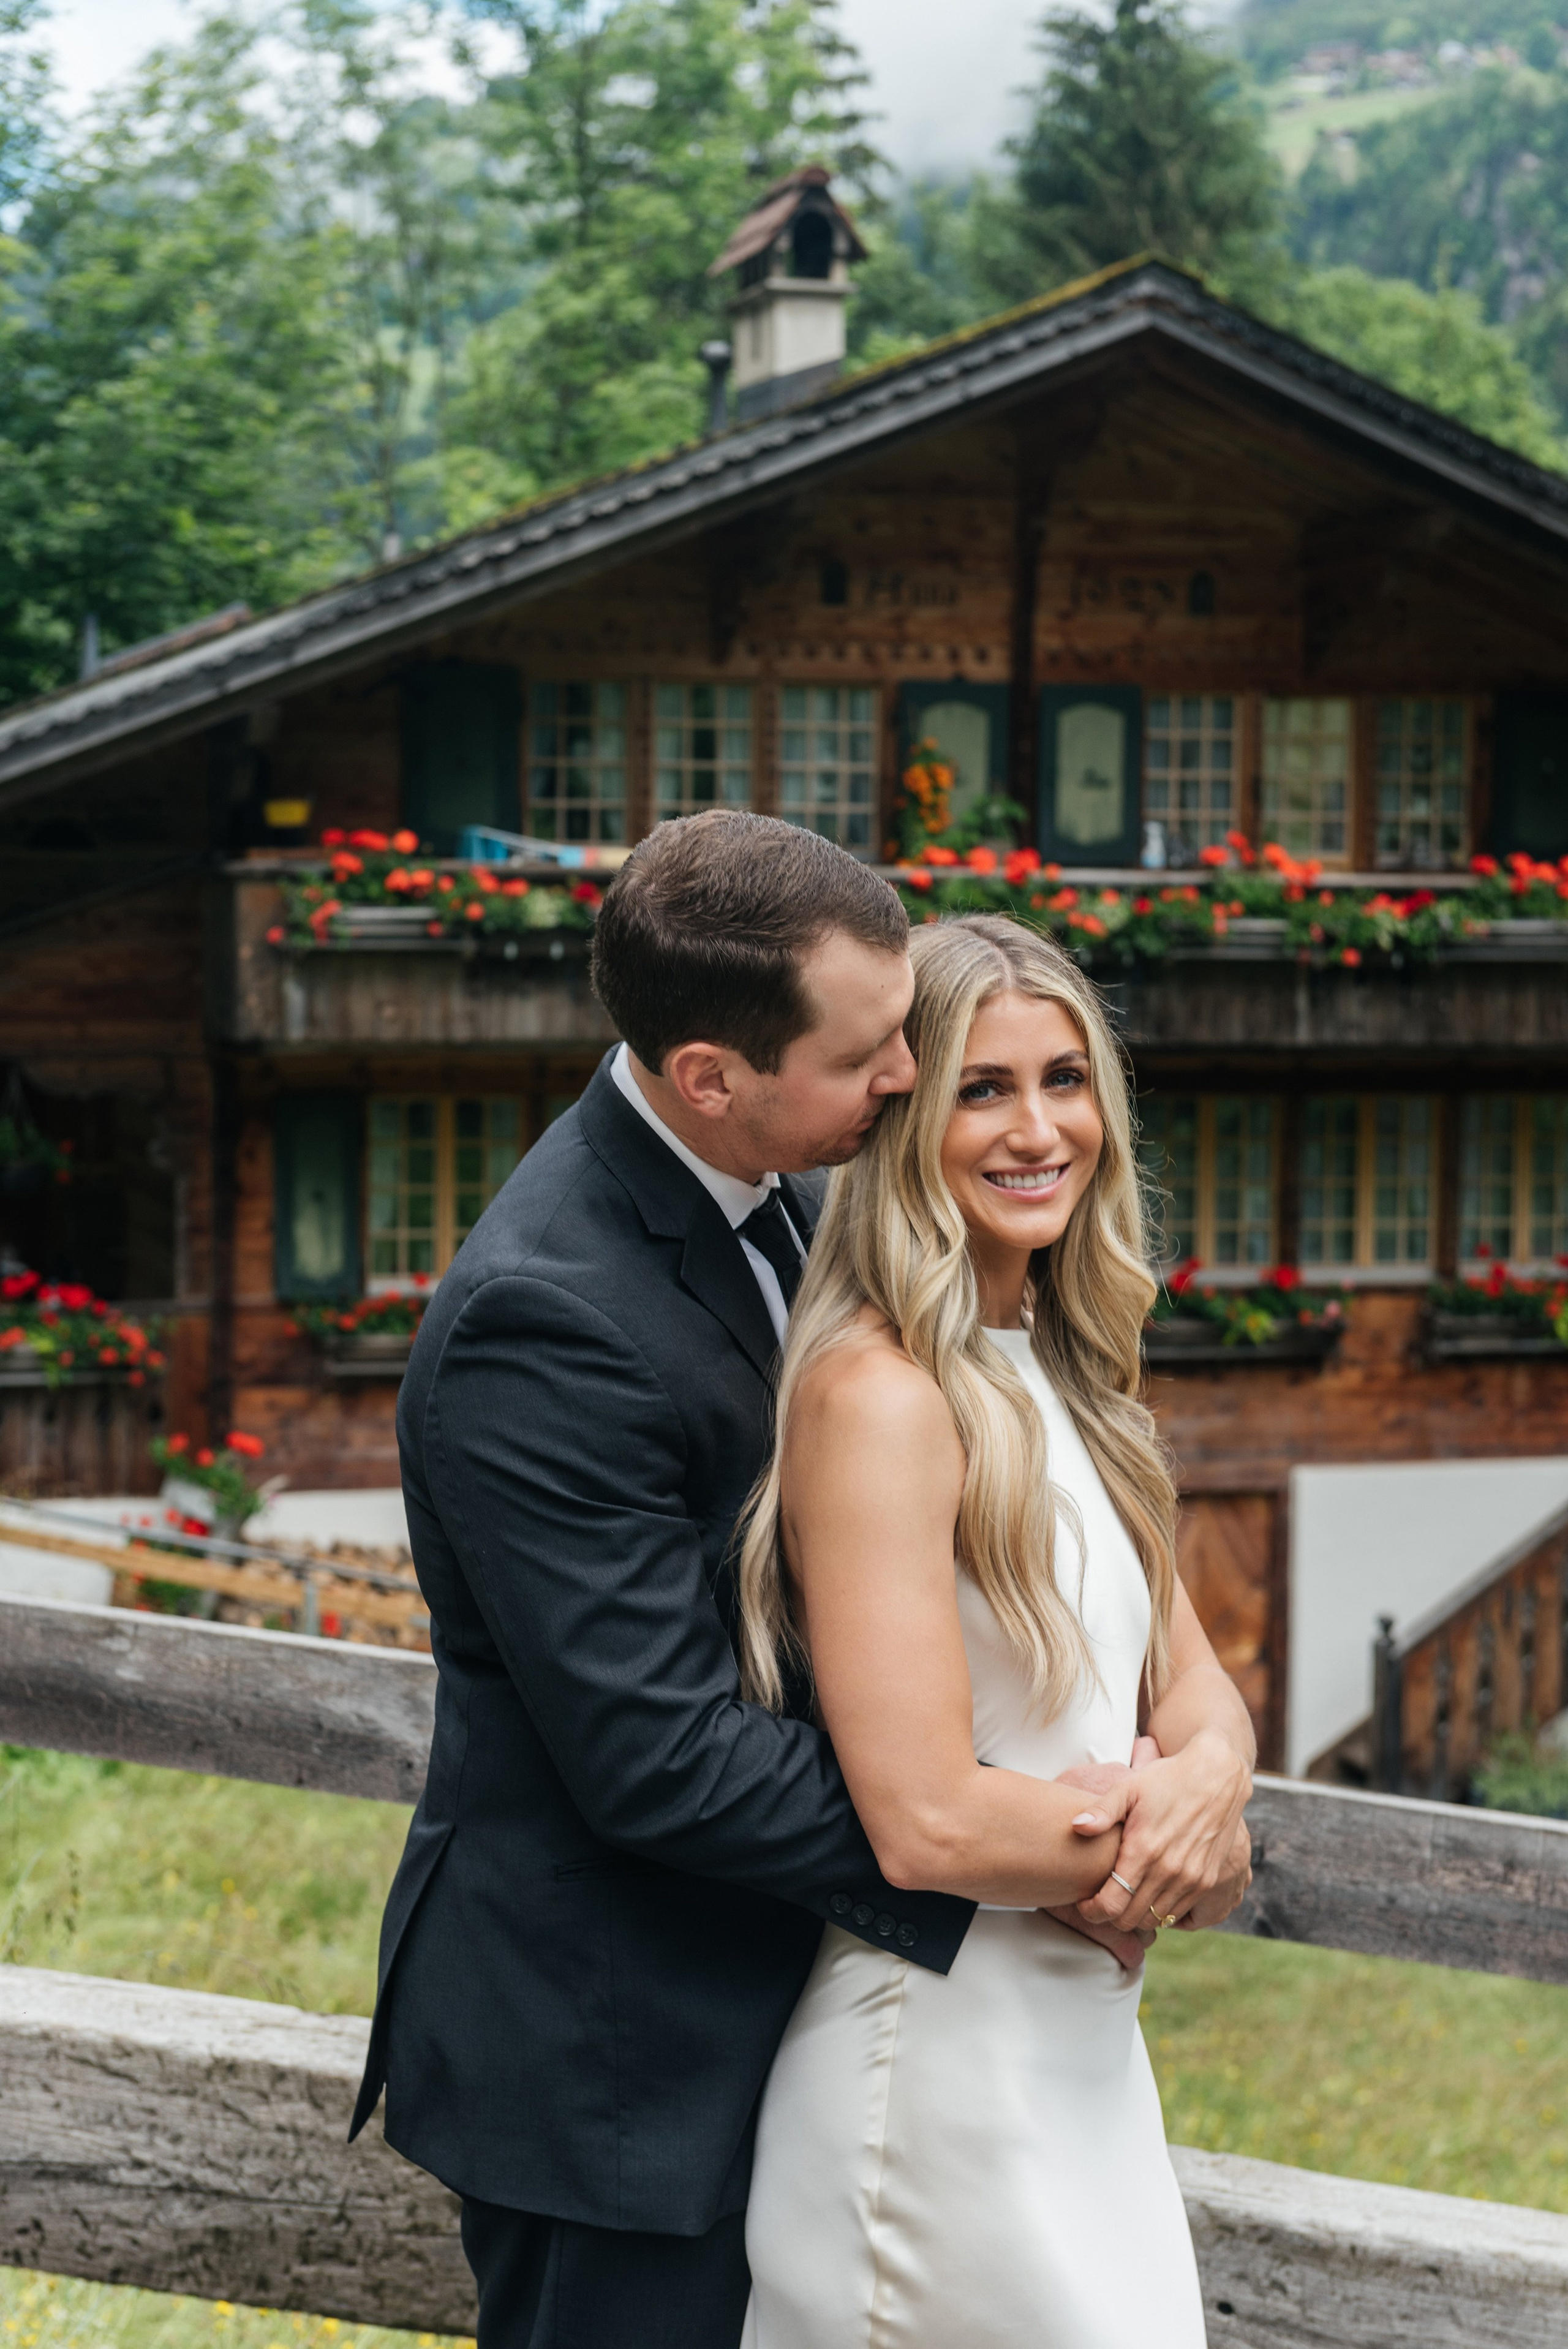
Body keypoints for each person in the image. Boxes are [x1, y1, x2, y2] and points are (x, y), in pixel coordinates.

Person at [349, 811, 981, 2349]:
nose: (907, 1078)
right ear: (709, 1074)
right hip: (615, 2061)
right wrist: (980, 1837)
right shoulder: (542, 1324)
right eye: (865, 1053)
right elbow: (660, 1757)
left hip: (778, 2008)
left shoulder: (799, 1192)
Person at [736, 913, 1256, 2349]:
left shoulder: (1078, 1382)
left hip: (1084, 2058)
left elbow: (1204, 1701)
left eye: (1064, 1078)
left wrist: (1201, 1796)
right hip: (938, 2071)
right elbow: (922, 1823)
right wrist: (1157, 1855)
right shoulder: (880, 1396)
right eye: (981, 1088)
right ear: (904, 1120)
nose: (1037, 1128)